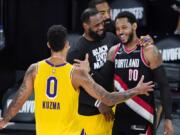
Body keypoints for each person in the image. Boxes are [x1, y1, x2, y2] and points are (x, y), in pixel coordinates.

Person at [0, 25, 154, 135]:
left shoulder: (34, 69)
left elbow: (18, 101)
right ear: (67, 44)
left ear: (48, 45)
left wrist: (4, 119)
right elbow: (108, 98)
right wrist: (136, 90)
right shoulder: (76, 73)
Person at [99, 11, 174, 135]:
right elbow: (104, 80)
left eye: (124, 27)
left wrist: (168, 118)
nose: (120, 32)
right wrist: (102, 101)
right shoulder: (113, 52)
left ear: (134, 26)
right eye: (117, 29)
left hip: (143, 115)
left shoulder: (149, 51)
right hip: (120, 118)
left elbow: (164, 85)